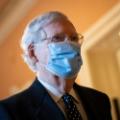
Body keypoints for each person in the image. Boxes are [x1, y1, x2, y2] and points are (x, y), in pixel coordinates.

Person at [0, 11, 112, 120]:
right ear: (33, 53)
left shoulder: (100, 100)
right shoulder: (10, 111)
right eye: (57, 38)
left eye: (74, 38)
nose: (70, 45)